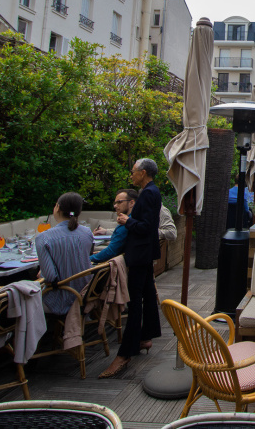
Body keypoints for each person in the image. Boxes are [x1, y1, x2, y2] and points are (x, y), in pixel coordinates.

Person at [100, 158, 162, 378]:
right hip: (145, 254)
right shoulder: (152, 192)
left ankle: (125, 354)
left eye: (133, 172)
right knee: (145, 294)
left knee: (134, 303)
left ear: (143, 173)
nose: (131, 176)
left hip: (140, 254)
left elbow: (146, 226)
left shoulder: (147, 194)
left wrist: (128, 221)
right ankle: (146, 336)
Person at [35, 192, 93, 315]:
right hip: (86, 294)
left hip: (61, 300)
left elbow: (50, 277)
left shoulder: (43, 237)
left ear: (57, 207)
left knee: (21, 300)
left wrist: (42, 274)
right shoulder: (87, 232)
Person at [91, 189, 137, 264]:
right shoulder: (134, 220)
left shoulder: (126, 225)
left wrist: (88, 259)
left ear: (131, 203)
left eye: (119, 202)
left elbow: (111, 252)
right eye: (115, 203)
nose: (115, 206)